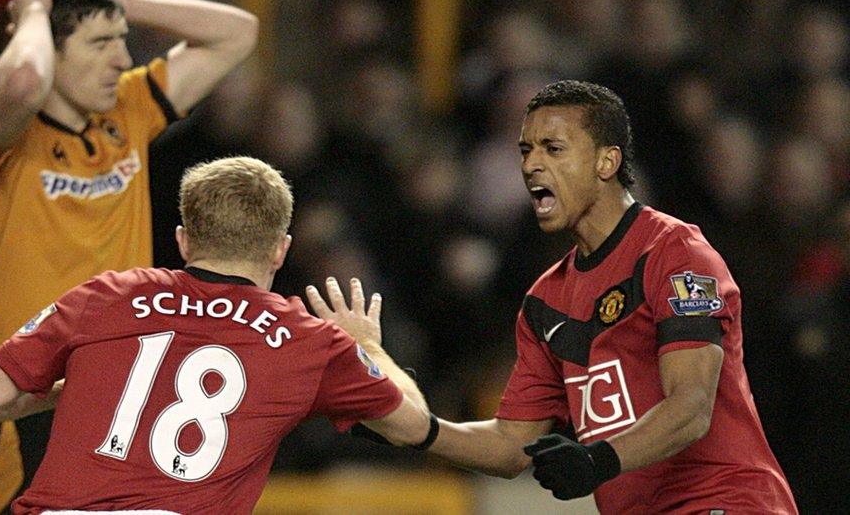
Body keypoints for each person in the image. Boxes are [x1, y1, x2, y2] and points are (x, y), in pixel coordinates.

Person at [312, 81, 798, 514]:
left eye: (553, 148)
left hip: (727, 500)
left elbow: (692, 407)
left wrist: (596, 460)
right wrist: (417, 427)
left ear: (607, 161)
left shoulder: (677, 254)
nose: (531, 164)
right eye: (525, 149)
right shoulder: (546, 301)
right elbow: (510, 445)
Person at [0, 156, 438, 514]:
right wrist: (367, 344)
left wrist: (69, 393)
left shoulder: (107, 294)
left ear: (184, 239)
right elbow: (415, 426)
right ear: (280, 250)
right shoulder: (308, 339)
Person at [0, 0, 259, 511]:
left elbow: (239, 33)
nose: (122, 59)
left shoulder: (127, 109)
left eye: (122, 42)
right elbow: (21, 81)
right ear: (50, 48)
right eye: (99, 44)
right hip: (27, 397)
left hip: (122, 394)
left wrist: (119, 3)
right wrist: (36, 10)